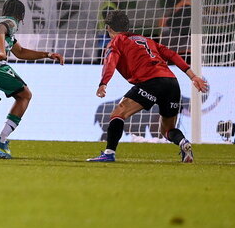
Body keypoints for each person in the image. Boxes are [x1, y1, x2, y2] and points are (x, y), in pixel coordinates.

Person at [87, 10, 208, 163]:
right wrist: (193, 76)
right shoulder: (147, 40)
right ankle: (183, 143)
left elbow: (110, 62)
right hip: (171, 82)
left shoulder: (117, 41)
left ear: (109, 28)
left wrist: (103, 83)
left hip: (150, 82)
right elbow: (171, 54)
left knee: (118, 113)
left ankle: (109, 153)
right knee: (167, 130)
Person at [0, 0, 64, 159]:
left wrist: (47, 54)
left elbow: (21, 52)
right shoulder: (10, 22)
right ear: (22, 16)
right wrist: (2, 53)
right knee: (25, 95)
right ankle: (2, 139)